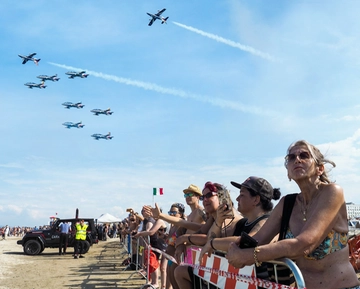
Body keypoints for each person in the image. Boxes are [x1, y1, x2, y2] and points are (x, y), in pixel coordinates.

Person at [226, 140, 360, 289]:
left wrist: (248, 256)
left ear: (320, 168)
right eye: (291, 157)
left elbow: (304, 244)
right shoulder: (287, 203)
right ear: (288, 172)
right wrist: (229, 247)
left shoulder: (332, 192)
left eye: (304, 155)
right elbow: (258, 239)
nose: (297, 159)